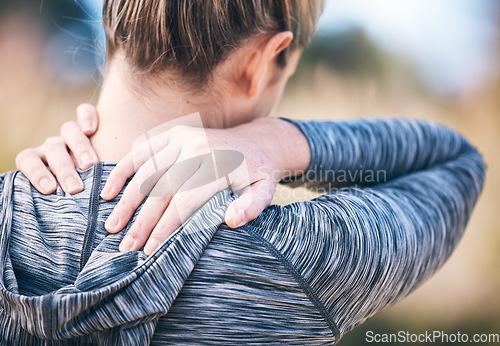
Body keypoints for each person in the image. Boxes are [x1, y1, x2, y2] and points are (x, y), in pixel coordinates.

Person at [1, 0, 486, 344]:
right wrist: (286, 142)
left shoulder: (6, 210)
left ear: (113, 18)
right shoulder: (289, 255)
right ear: (261, 60)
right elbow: (455, 163)